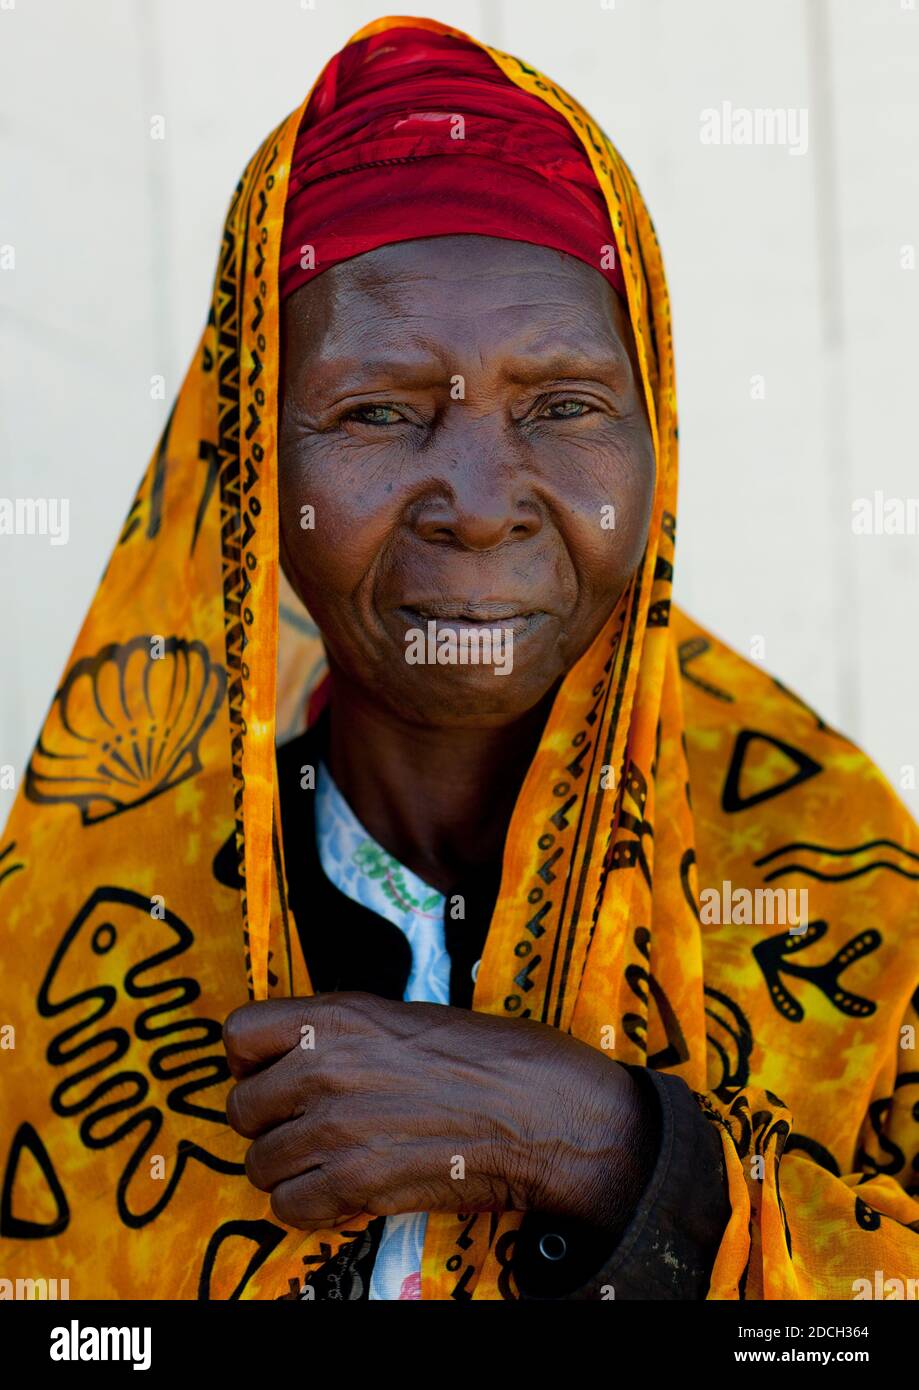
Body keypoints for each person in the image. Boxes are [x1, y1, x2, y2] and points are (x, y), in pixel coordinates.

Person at [1, 16, 917, 1303]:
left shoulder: (836, 878)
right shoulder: (76, 952)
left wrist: (605, 1148)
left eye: (564, 405)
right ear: (249, 461)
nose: (480, 502)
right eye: (377, 411)